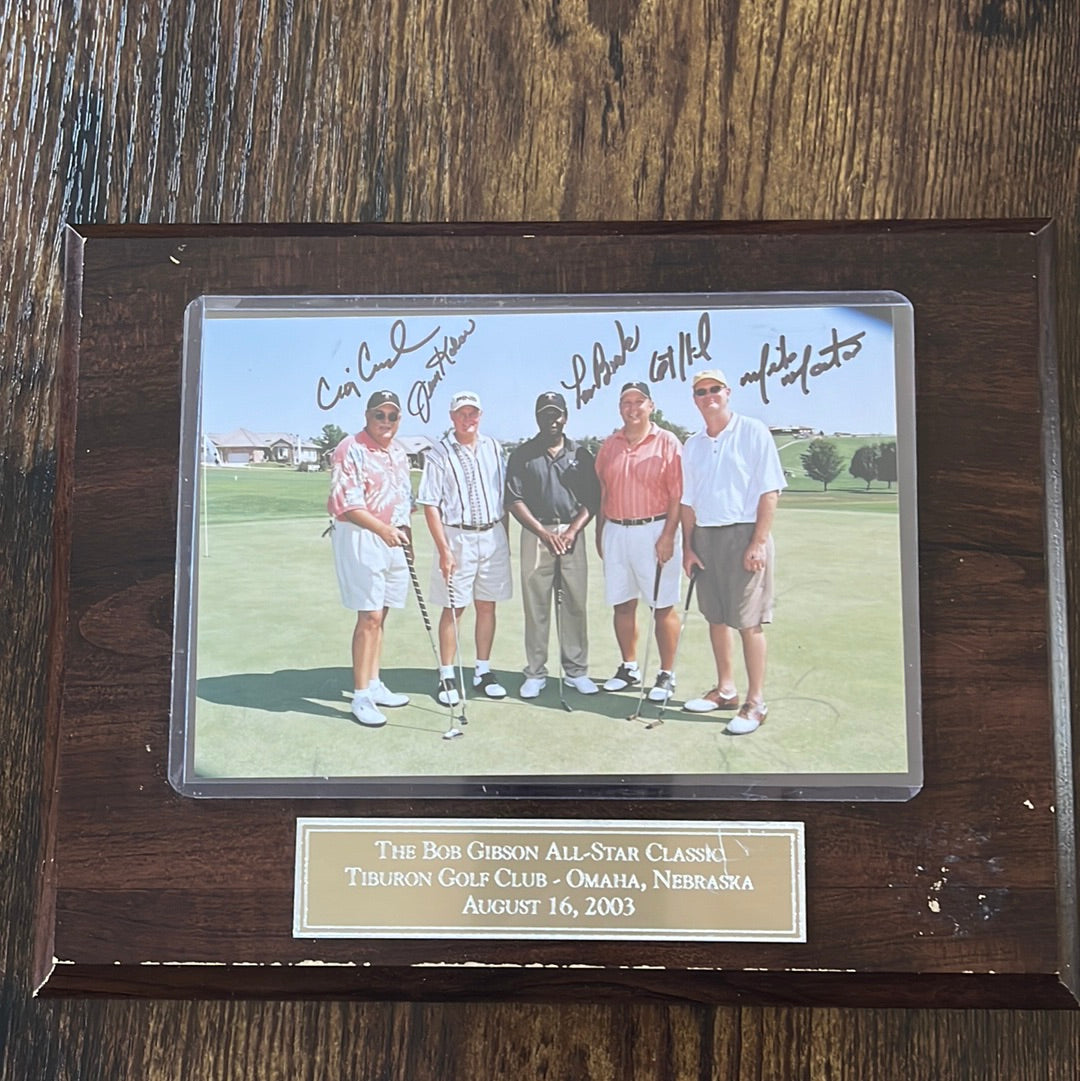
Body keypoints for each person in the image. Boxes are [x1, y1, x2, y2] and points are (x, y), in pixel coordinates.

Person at [680, 369, 787, 734]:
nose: (708, 396)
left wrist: (758, 542)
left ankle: (756, 702)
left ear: (727, 392)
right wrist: (688, 547)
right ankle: (726, 690)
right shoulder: (692, 445)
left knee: (749, 622)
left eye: (714, 389)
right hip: (706, 537)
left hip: (744, 535)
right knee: (716, 618)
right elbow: (688, 501)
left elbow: (769, 490)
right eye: (700, 391)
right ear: (694, 399)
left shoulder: (753, 430)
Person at [417, 390, 513, 704]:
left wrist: (504, 538)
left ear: (480, 416)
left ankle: (482, 671)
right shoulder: (438, 452)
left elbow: (503, 497)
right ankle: (447, 676)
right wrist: (444, 550)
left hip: (493, 535)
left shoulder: (494, 448)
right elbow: (430, 505)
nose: (467, 419)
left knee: (487, 604)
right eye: (462, 414)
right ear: (452, 417)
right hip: (457, 537)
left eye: (473, 413)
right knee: (454, 607)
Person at [505, 391, 601, 699]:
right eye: (546, 415)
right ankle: (535, 671)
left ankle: (576, 670)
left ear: (566, 417)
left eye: (557, 414)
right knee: (537, 604)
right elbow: (514, 500)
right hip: (536, 532)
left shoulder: (580, 454)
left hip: (573, 532)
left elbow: (591, 500)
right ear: (537, 417)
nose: (552, 420)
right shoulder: (522, 455)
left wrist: (572, 531)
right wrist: (543, 533)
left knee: (574, 602)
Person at [326, 390, 413, 728]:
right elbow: (346, 504)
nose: (386, 422)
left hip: (393, 537)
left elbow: (404, 501)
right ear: (367, 415)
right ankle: (361, 695)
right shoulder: (351, 447)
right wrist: (383, 530)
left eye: (393, 416)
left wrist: (407, 538)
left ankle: (374, 683)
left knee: (383, 612)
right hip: (361, 535)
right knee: (370, 615)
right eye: (380, 415)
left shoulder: (400, 453)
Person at [594, 381, 684, 701]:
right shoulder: (609, 445)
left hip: (655, 529)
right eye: (626, 403)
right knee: (622, 603)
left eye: (639, 402)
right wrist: (600, 533)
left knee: (662, 606)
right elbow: (604, 491)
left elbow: (677, 494)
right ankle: (628, 667)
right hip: (616, 530)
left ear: (651, 406)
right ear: (620, 408)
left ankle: (666, 673)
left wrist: (669, 535)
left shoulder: (668, 442)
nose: (632, 408)